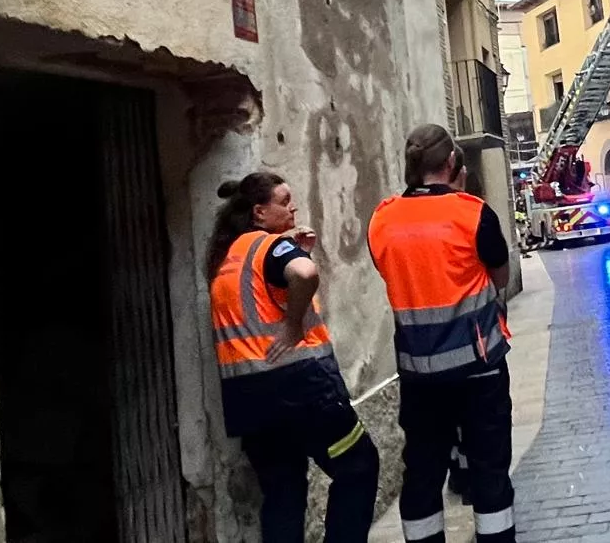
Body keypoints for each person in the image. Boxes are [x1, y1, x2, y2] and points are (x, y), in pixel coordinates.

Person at [206, 172, 379, 543]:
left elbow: (261, 303)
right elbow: (304, 273)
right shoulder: (271, 247)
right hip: (302, 393)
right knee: (358, 466)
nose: (293, 208)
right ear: (259, 212)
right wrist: (292, 325)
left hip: (250, 404)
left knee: (283, 494)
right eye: (284, 202)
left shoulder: (226, 261)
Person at [368, 125, 516, 543]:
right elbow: (500, 276)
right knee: (489, 472)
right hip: (479, 369)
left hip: (419, 375)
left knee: (422, 474)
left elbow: (390, 271)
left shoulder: (382, 219)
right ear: (452, 162)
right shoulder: (472, 213)